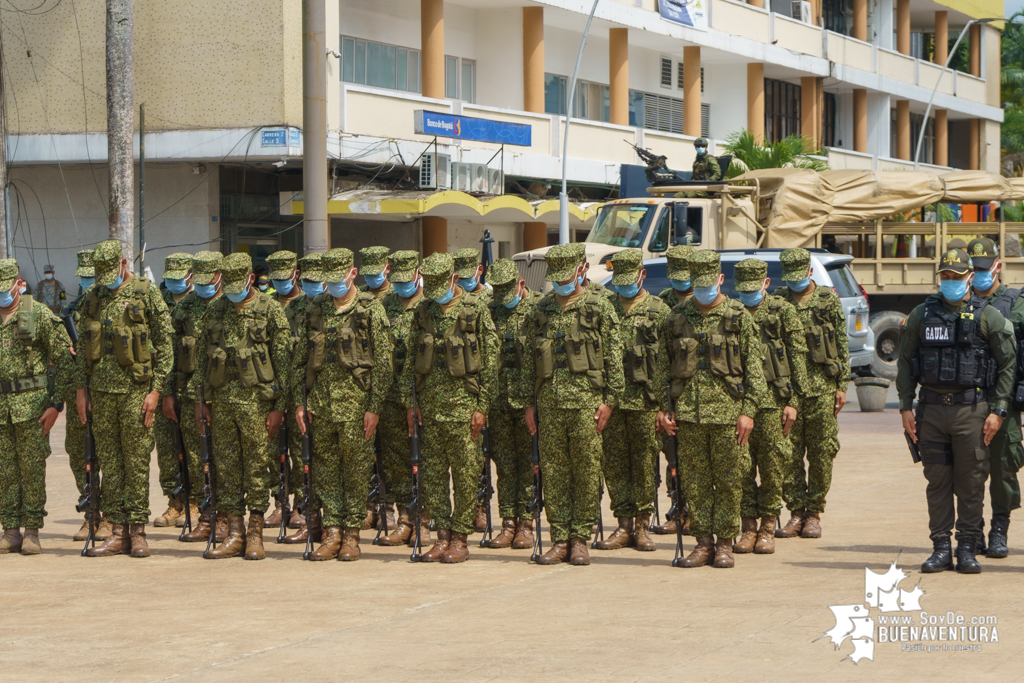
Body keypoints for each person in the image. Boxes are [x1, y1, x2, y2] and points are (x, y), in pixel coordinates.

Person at [899, 248, 1016, 574]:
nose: (951, 282)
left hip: (972, 411)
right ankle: (940, 549)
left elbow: (1008, 362)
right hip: (932, 411)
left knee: (971, 482)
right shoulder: (922, 314)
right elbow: (906, 361)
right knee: (937, 482)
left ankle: (966, 548)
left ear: (968, 278)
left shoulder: (986, 316)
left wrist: (999, 409)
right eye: (945, 277)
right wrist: (905, 406)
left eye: (957, 276)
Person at [660, 250, 767, 568]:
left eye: (710, 283)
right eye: (699, 284)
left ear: (720, 280)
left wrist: (748, 411)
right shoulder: (677, 318)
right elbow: (663, 369)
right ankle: (703, 544)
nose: (705, 290)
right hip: (688, 419)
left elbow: (755, 371)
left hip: (728, 417)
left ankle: (724, 544)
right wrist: (663, 409)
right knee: (695, 482)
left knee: (730, 482)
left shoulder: (738, 316)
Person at [521, 243, 625, 565]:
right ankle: (560, 539)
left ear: (581, 270)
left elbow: (614, 356)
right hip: (550, 405)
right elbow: (529, 361)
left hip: (587, 405)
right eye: (557, 278)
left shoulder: (599, 306)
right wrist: (529, 403)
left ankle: (580, 538)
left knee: (586, 471)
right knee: (553, 474)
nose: (562, 283)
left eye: (567, 277)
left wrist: (610, 400)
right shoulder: (541, 309)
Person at [292, 248, 393, 560]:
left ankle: (351, 535)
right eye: (329, 280)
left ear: (352, 274)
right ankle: (331, 532)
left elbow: (385, 364)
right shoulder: (315, 310)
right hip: (320, 406)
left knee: (356, 471)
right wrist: (299, 402)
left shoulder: (370, 310)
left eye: (340, 278)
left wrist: (374, 407)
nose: (334, 286)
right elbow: (298, 361)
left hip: (356, 408)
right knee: (324, 471)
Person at [398, 252, 499, 563]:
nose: (435, 292)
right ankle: (441, 536)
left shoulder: (475, 310)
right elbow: (409, 361)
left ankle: (460, 538)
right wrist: (409, 403)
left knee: (467, 476)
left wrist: (483, 406)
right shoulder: (424, 311)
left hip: (464, 410)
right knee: (432, 476)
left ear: (455, 279)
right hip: (429, 409)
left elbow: (492, 361)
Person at [76, 240, 174, 558]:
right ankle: (117, 531)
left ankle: (138, 531)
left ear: (122, 264)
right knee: (112, 465)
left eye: (110, 272)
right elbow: (81, 349)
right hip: (102, 394)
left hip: (136, 391)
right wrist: (81, 390)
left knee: (136, 463)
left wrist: (156, 391)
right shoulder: (93, 297)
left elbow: (166, 345)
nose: (106, 281)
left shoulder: (146, 292)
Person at [190, 253, 291, 559]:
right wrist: (200, 401)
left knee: (258, 467)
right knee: (226, 469)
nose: (233, 291)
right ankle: (234, 532)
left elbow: (284, 363)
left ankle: (256, 532)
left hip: (258, 404)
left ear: (250, 279)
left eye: (238, 283)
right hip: (221, 402)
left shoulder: (270, 310)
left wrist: (279, 407)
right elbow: (202, 360)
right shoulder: (215, 310)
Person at [593, 249, 670, 553]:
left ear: (642, 275)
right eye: (619, 281)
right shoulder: (605, 307)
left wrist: (663, 407)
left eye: (630, 280)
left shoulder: (659, 311)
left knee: (643, 464)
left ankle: (641, 525)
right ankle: (623, 525)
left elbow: (666, 363)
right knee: (613, 464)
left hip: (645, 402)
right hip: (611, 402)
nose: (624, 287)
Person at [732, 258, 808, 555]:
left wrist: (794, 402)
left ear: (765, 283)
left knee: (773, 467)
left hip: (775, 402)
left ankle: (767, 527)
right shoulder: (732, 312)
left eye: (754, 288)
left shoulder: (783, 311)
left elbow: (798, 357)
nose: (749, 294)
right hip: (739, 403)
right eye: (744, 289)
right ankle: (748, 528)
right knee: (742, 468)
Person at [0, 259, 75, 555]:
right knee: (5, 471)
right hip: (1, 409)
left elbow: (66, 364)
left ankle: (32, 530)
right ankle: (10, 530)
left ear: (18, 285)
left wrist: (57, 405)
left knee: (31, 470)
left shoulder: (38, 314)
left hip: (32, 408)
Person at [774, 248, 848, 539]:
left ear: (808, 271)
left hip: (821, 388)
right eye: (789, 277)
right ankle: (795, 512)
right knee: (788, 454)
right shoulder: (778, 300)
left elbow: (841, 341)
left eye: (798, 276)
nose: (794, 283)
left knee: (821, 453)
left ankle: (814, 513)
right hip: (788, 391)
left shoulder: (828, 299)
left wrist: (842, 384)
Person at [966, 237, 1024, 558]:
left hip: (1004, 398)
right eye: (973, 269)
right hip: (968, 398)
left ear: (998, 266)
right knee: (969, 469)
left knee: (1003, 468)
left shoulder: (1016, 301)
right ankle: (972, 530)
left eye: (983, 269)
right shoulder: (959, 301)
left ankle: (999, 529)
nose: (978, 275)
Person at [484, 258, 541, 549]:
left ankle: (526, 523)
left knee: (529, 462)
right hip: (498, 401)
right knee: (505, 465)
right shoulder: (490, 310)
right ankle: (508, 522)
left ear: (521, 284)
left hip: (527, 402)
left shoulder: (537, 310)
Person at [168, 252, 225, 543]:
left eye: (208, 280)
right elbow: (171, 352)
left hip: (226, 396)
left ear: (220, 276)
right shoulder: (186, 307)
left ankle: (228, 518)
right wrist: (168, 392)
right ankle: (207, 516)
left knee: (226, 460)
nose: (203, 287)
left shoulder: (231, 305)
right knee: (197, 458)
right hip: (192, 394)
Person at [376, 251, 432, 547]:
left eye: (405, 280)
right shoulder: (382, 305)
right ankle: (404, 518)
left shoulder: (428, 306)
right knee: (396, 463)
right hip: (390, 396)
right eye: (395, 281)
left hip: (420, 397)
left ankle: (423, 519)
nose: (400, 286)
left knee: (423, 460)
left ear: (417, 275)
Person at [62, 250, 113, 543]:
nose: (87, 281)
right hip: (78, 393)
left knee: (108, 452)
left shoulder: (110, 308)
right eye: (82, 276)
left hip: (107, 391)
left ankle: (109, 517)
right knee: (79, 453)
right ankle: (91, 513)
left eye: (91, 276)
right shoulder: (71, 311)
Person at [281, 253, 328, 542]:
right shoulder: (292, 310)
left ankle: (339, 522)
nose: (311, 286)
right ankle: (308, 519)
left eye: (317, 281)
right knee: (303, 461)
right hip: (300, 396)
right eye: (307, 280)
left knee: (328, 462)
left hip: (331, 398)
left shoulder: (336, 309)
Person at [654, 244, 695, 535]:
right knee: (673, 457)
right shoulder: (664, 303)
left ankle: (699, 512)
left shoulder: (708, 305)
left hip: (701, 394)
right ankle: (678, 509)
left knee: (698, 460)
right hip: (672, 391)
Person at [153, 253, 194, 527]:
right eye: (171, 278)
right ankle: (175, 502)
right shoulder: (159, 302)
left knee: (193, 447)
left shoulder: (201, 303)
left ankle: (196, 503)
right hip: (163, 383)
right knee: (167, 449)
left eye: (180, 278)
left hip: (192, 384)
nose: (175, 283)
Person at [263, 250, 302, 531]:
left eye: (284, 278)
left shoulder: (310, 305)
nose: (280, 284)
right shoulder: (264, 306)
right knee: (274, 452)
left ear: (295, 275)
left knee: (301, 453)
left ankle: (301, 504)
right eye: (275, 279)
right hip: (272, 390)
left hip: (300, 390)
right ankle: (280, 504)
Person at [356, 245, 392, 530]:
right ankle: (369, 506)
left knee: (392, 455)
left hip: (392, 390)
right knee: (367, 454)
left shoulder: (395, 297)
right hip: (360, 389)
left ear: (386, 268)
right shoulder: (359, 299)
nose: (371, 277)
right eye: (366, 272)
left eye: (375, 271)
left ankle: (389, 508)